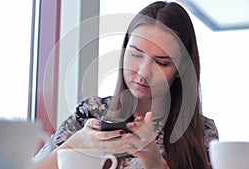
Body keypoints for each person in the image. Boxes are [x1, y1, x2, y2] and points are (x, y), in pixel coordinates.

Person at [32, 1, 218, 169]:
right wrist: (76, 143)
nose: (143, 72)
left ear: (181, 69)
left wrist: (155, 163)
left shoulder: (201, 133)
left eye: (161, 63)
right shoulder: (90, 113)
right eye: (136, 54)